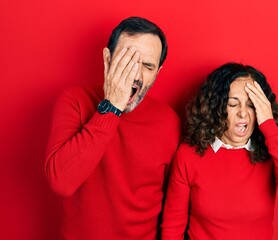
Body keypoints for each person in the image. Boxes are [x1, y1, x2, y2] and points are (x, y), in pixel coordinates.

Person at [45, 16, 181, 240]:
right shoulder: (74, 101)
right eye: (127, 60)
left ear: (158, 72)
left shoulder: (169, 122)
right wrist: (112, 107)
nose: (135, 75)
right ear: (108, 59)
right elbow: (61, 182)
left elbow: (174, 205)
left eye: (148, 66)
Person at [161, 63, 278, 239]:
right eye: (233, 104)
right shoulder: (188, 154)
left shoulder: (272, 152)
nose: (243, 113)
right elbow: (172, 226)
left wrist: (269, 126)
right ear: (216, 109)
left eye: (251, 105)